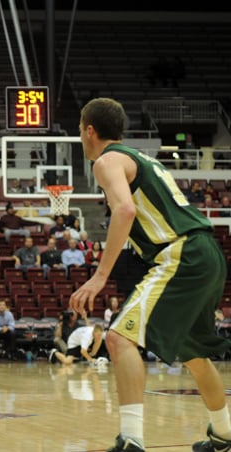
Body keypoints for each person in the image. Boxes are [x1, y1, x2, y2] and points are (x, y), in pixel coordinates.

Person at [70, 97, 231, 452]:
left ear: (90, 130)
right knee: (193, 352)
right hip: (206, 251)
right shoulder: (141, 158)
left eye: (80, 130)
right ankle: (224, 434)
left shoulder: (107, 160)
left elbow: (125, 210)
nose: (80, 137)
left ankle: (131, 439)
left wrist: (99, 276)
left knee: (118, 339)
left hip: (180, 254)